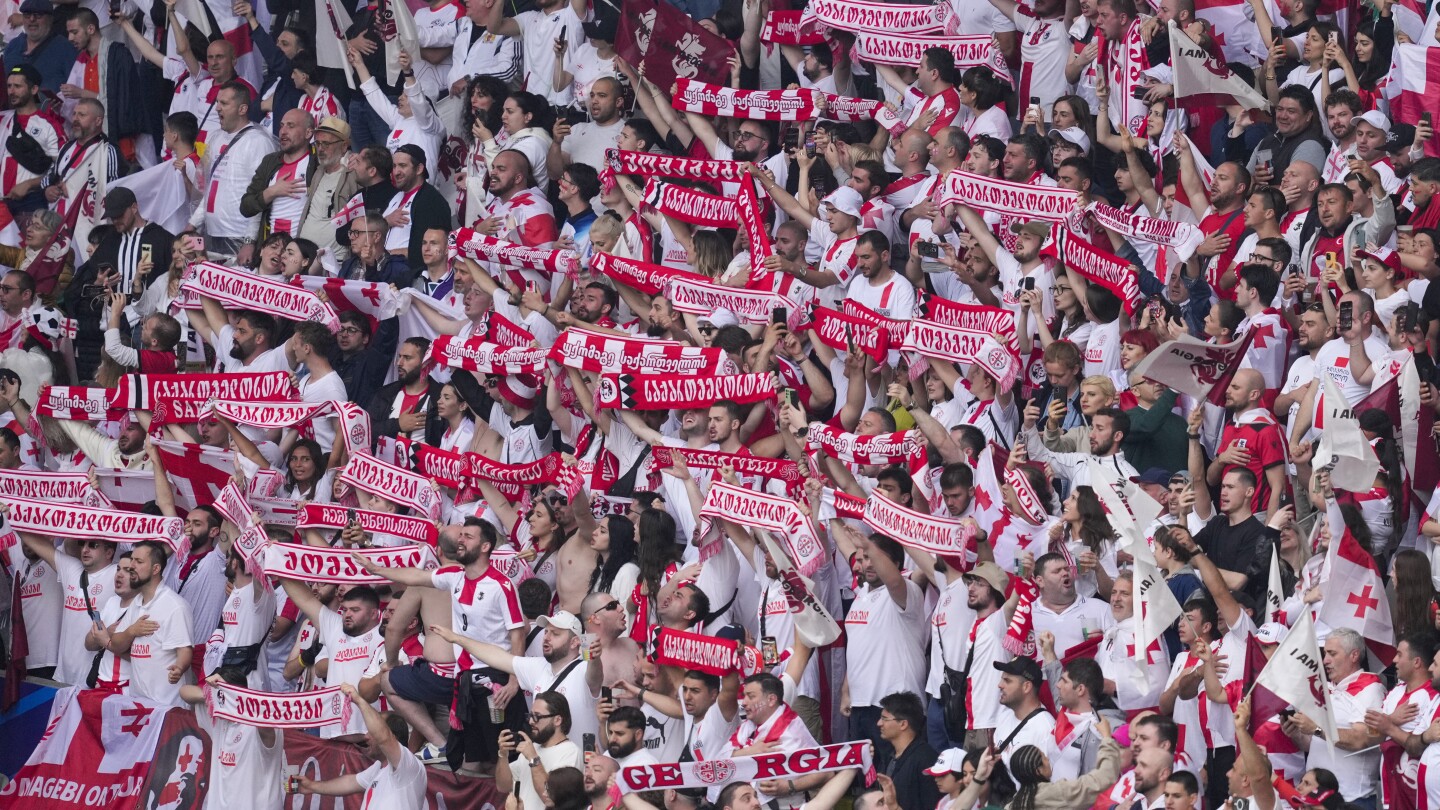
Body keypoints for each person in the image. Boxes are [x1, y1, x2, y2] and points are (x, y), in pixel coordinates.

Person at [295, 684, 427, 808]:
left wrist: (359, 700)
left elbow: (384, 737)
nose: (366, 737)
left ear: (393, 737)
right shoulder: (379, 768)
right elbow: (349, 783)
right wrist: (312, 786)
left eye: (372, 733)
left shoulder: (408, 765)